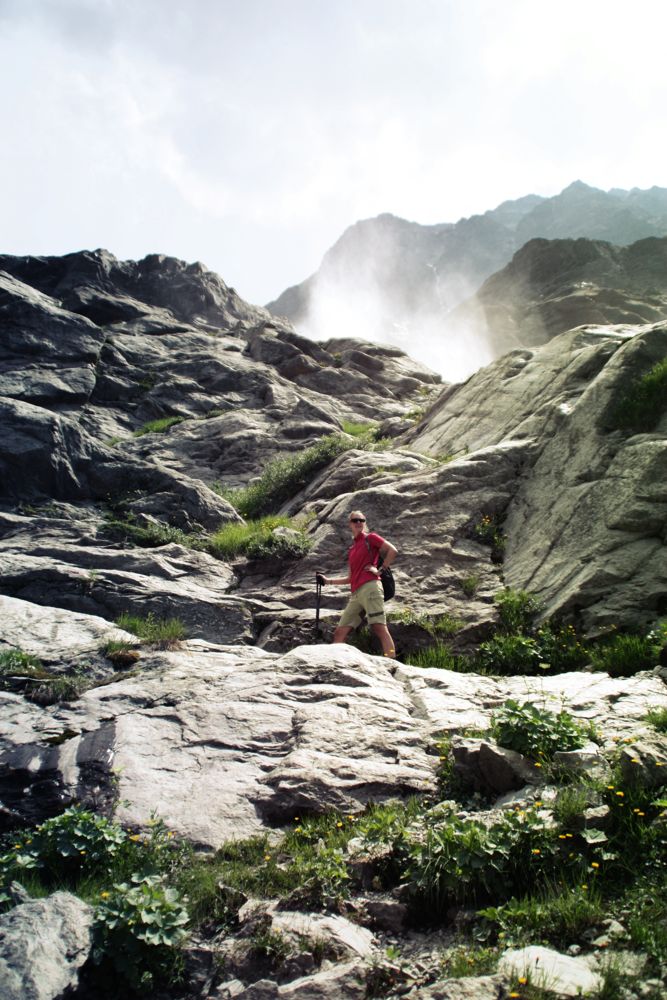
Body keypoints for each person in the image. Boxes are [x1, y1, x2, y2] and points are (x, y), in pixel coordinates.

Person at [316, 510, 397, 658]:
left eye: (362, 520)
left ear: (364, 523)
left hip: (371, 588)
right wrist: (328, 581)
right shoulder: (352, 549)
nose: (359, 522)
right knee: (340, 632)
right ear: (350, 524)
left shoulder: (371, 538)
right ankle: (334, 663)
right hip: (356, 594)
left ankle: (392, 663)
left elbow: (392, 551)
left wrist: (379, 570)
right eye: (355, 520)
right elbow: (350, 578)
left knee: (379, 627)